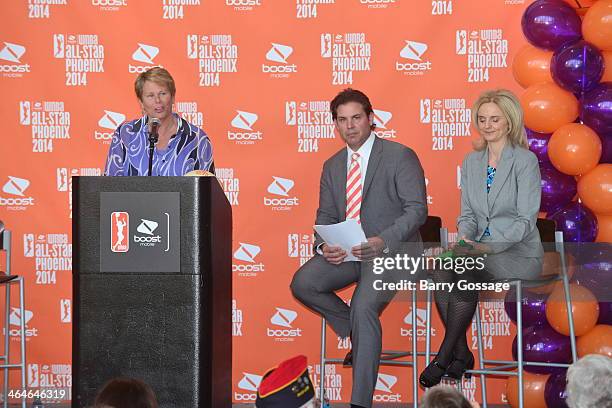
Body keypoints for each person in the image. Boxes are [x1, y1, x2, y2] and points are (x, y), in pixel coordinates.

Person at [290, 88, 428, 408]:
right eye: (342, 120)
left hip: (394, 252)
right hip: (351, 252)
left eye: (356, 118)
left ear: (370, 118)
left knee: (364, 308)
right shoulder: (332, 165)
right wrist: (325, 245)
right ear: (335, 125)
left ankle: (359, 404)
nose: (350, 126)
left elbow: (416, 211)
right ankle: (357, 332)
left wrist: (383, 241)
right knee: (303, 283)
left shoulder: (398, 155)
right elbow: (325, 216)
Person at [419, 89, 543, 387]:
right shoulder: (472, 161)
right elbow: (468, 216)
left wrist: (486, 247)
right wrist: (464, 241)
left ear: (509, 123)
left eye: (494, 119)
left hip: (517, 254)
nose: (487, 125)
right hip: (475, 251)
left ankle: (445, 355)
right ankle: (461, 354)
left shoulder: (525, 161)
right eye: (482, 119)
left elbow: (525, 221)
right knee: (441, 267)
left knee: (464, 269)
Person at [104, 67, 214, 176]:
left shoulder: (197, 138)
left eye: (163, 93)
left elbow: (208, 189)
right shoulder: (126, 134)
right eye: (150, 96)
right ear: (141, 102)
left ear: (172, 96)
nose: (158, 100)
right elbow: (109, 185)